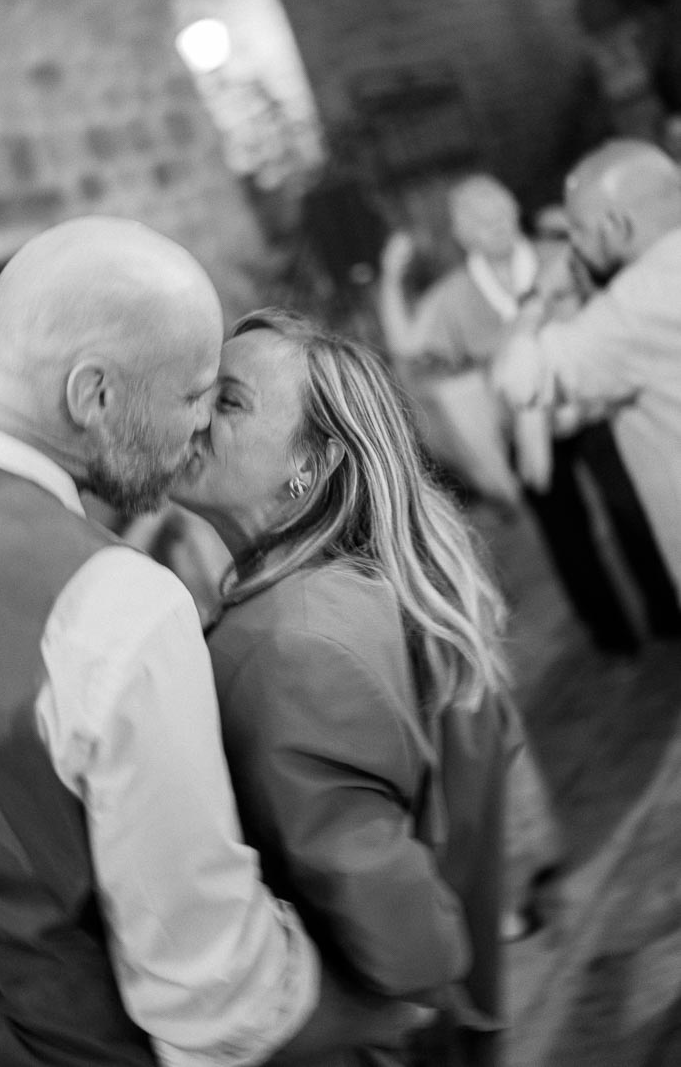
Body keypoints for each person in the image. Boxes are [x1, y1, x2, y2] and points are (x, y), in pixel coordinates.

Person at [0, 217, 437, 1067]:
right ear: (93, 396)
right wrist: (369, 1011)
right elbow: (209, 990)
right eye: (195, 395)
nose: (199, 427)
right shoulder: (111, 604)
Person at [171, 307, 515, 1067]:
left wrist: (409, 1004)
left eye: (228, 401)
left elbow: (379, 898)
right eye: (197, 393)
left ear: (314, 463)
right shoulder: (365, 587)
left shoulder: (295, 642)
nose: (193, 416)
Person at [378, 173, 643, 655]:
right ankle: (612, 636)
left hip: (593, 407)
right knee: (568, 537)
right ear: (463, 235)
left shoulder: (557, 255)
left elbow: (623, 283)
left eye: (500, 209)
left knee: (630, 507)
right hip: (527, 431)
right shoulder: (456, 295)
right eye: (481, 219)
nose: (496, 223)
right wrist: (392, 277)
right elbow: (407, 347)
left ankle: (667, 614)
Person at [493, 139, 681, 611]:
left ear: (617, 225)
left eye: (578, 230)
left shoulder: (631, 310)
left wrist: (537, 297)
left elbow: (518, 379)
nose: (571, 245)